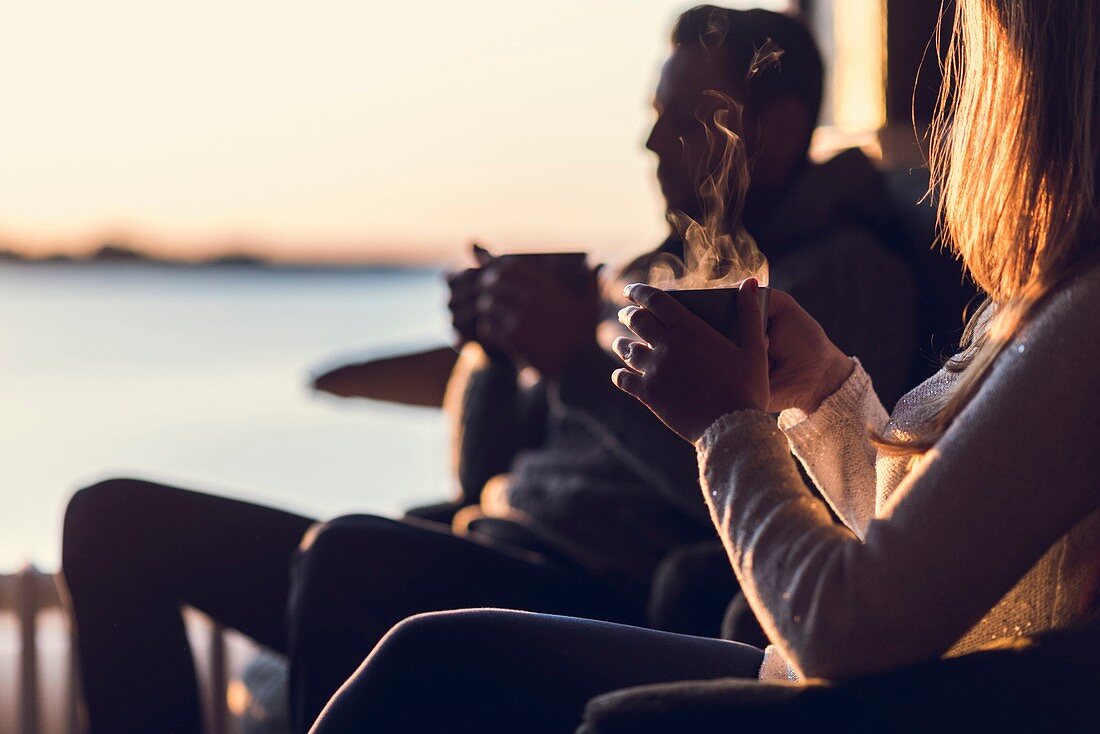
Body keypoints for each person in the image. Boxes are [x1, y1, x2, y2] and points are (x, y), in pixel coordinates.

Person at [61, 8, 920, 734]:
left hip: (606, 593)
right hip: (493, 547)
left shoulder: (845, 275)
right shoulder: (651, 270)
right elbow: (485, 474)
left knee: (349, 556)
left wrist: (575, 367)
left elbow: (781, 496)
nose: (651, 140)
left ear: (770, 130)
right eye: (653, 114)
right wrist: (497, 354)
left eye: (685, 116)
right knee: (111, 521)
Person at [308, 1, 1100, 732]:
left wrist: (722, 424)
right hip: (745, 636)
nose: (959, 120)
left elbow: (852, 622)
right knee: (404, 622)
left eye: (684, 122)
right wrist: (824, 393)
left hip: (764, 648)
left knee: (390, 615)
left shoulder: (1068, 322)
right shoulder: (1047, 304)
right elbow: (927, 543)